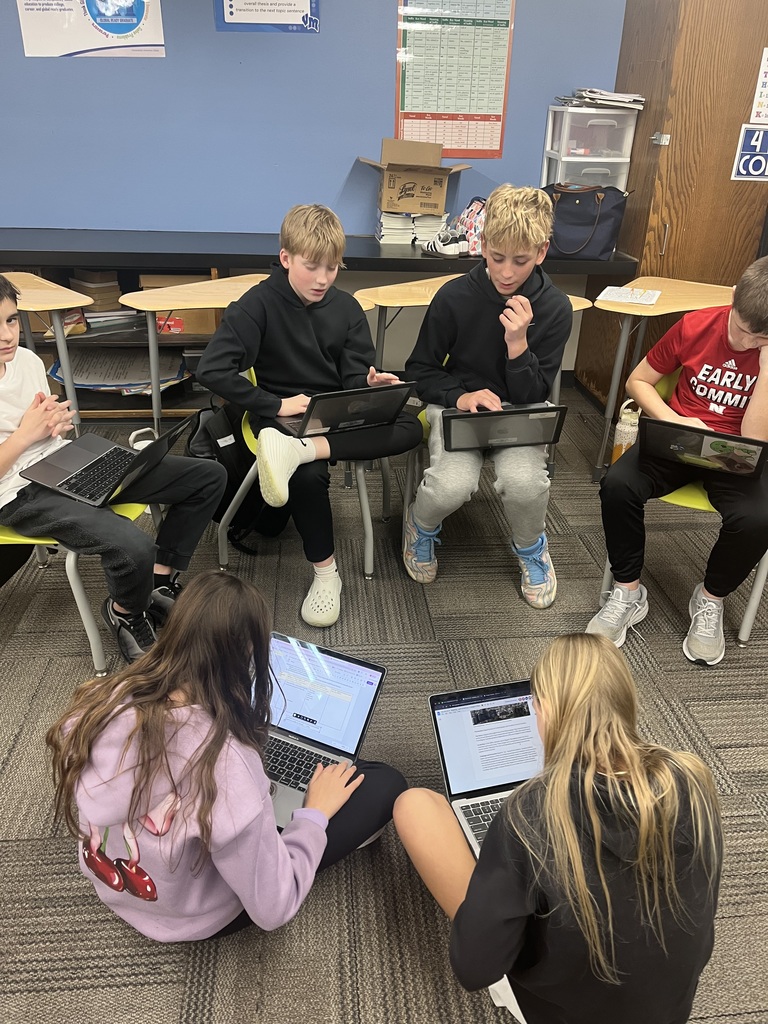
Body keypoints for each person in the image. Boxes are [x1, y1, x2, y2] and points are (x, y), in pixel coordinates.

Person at [46, 570, 407, 942]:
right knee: (385, 782)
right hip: (191, 916)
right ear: (249, 655)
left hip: (116, 884)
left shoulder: (103, 700)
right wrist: (315, 815)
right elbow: (274, 908)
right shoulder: (227, 762)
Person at [393, 634, 722, 1024]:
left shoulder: (528, 814)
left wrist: (497, 874)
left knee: (415, 805)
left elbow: (476, 969)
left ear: (543, 710)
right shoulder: (691, 778)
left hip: (563, 1013)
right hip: (667, 1012)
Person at [196, 204, 422, 628]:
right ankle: (326, 574)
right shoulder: (256, 306)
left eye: (333, 268)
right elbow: (211, 369)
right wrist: (275, 405)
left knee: (409, 422)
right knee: (308, 476)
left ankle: (302, 451)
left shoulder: (347, 308)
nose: (322, 279)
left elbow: (353, 374)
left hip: (332, 413)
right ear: (286, 258)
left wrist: (369, 386)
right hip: (278, 416)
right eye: (311, 267)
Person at [0, 274, 227, 662]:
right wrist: (25, 435)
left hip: (64, 460)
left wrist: (53, 424)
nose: (7, 334)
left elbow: (39, 424)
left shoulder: (27, 360)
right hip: (19, 492)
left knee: (208, 477)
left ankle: (156, 581)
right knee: (132, 545)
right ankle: (125, 611)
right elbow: (21, 436)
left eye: (10, 320)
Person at [586, 256, 768, 665]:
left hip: (737, 453)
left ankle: (709, 599)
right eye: (741, 329)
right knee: (617, 485)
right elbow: (638, 380)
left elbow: (757, 437)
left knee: (759, 518)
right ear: (733, 298)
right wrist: (673, 418)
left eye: (761, 339)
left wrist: (767, 364)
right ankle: (629, 592)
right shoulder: (695, 325)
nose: (746, 343)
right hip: (678, 438)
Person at [402, 184, 572, 608]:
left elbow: (534, 392)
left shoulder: (554, 308)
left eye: (521, 260)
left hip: (521, 411)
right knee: (450, 487)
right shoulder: (454, 297)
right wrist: (460, 396)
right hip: (461, 409)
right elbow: (419, 372)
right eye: (497, 257)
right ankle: (420, 527)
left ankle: (531, 549)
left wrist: (518, 345)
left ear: (542, 252)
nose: (507, 272)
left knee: (525, 484)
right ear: (481, 244)